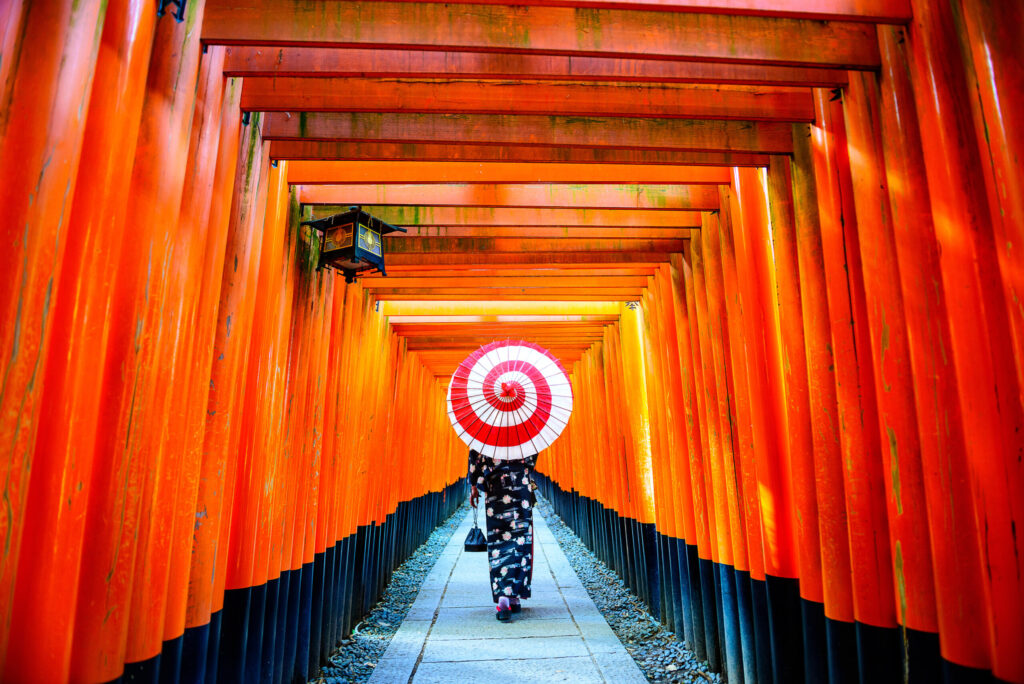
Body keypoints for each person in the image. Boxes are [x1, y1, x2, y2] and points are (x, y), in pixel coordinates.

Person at [468, 448, 537, 621]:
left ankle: (504, 597)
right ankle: (513, 595)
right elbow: (533, 454)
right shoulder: (524, 429)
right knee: (521, 541)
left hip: (495, 488)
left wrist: (474, 485)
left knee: (499, 542)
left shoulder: (487, 429)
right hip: (521, 487)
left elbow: (475, 456)